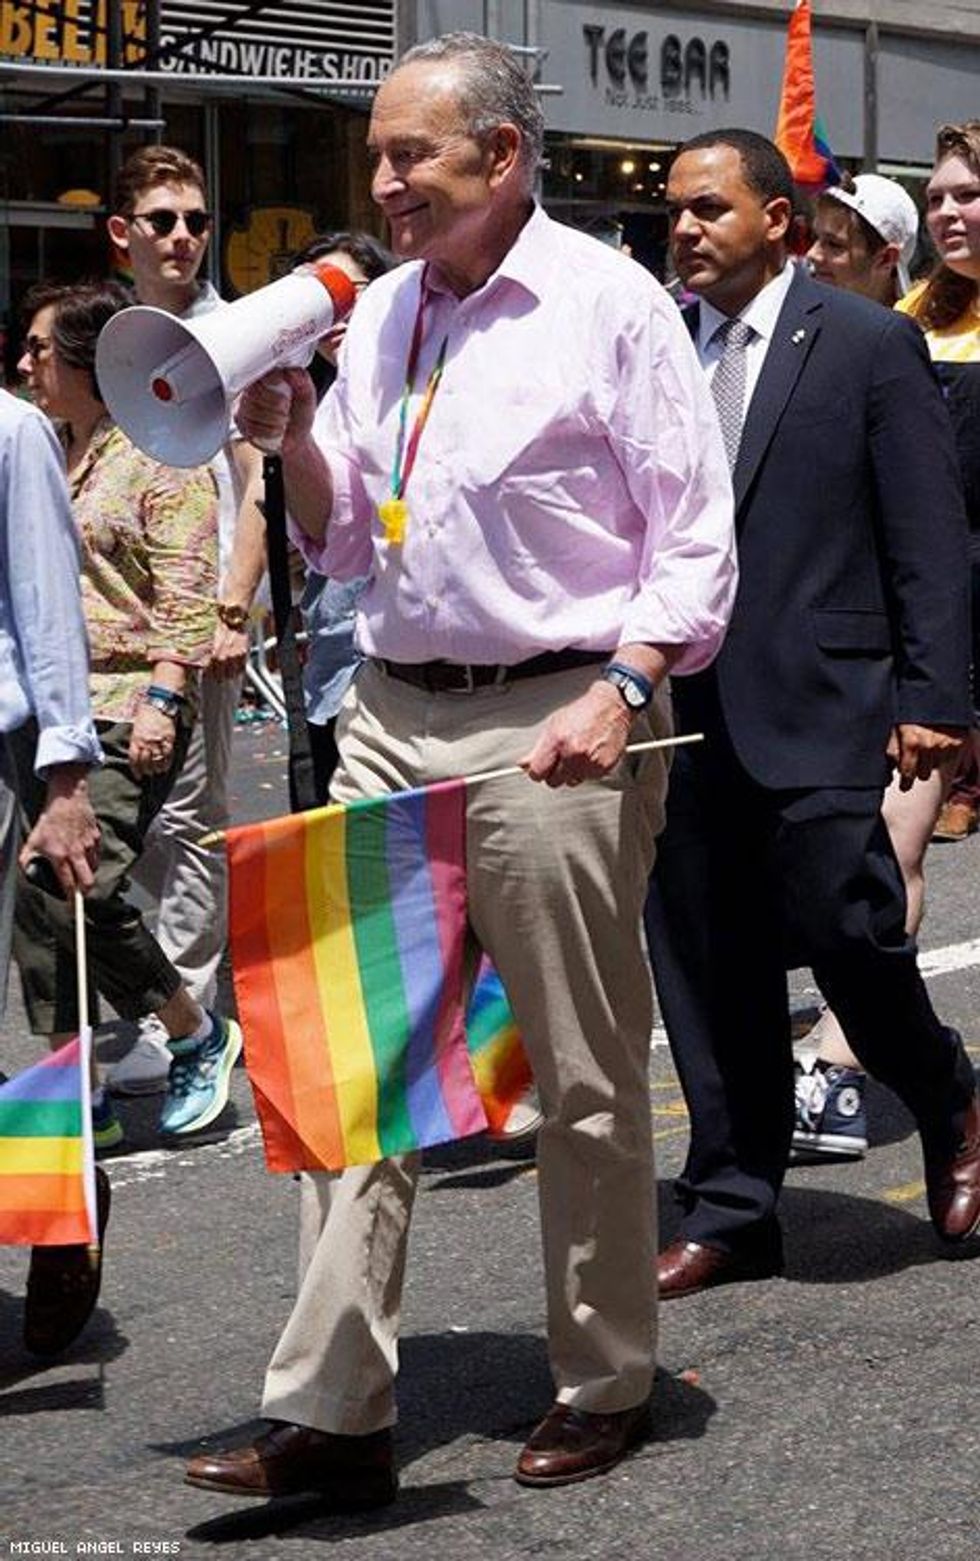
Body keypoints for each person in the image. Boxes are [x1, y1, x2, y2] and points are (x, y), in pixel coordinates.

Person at [183, 31, 736, 1501]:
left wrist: (624, 689)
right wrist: (294, 445)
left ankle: (606, 1372)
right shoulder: (384, 320)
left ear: (502, 157)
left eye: (408, 153)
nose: (383, 182)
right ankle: (335, 1407)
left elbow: (692, 540)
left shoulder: (612, 307)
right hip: (392, 711)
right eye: (377, 154)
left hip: (557, 719)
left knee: (583, 1072)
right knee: (352, 1068)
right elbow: (350, 537)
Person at [644, 128, 980, 1303]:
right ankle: (733, 1200)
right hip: (676, 709)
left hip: (826, 695)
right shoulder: (651, 349)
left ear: (777, 222)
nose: (682, 229)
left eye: (707, 209)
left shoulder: (866, 341)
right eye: (671, 211)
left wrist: (935, 701)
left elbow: (927, 537)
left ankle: (945, 1095)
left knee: (845, 925)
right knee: (700, 952)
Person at [14, 280, 241, 1143]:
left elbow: (187, 591)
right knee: (42, 903)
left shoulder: (161, 454)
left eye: (41, 348)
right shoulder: (56, 449)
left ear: (86, 360)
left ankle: (194, 1032)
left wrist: (164, 696)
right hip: (58, 703)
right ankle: (81, 1085)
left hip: (128, 700)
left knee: (75, 883)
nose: (26, 363)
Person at [103, 146, 266, 1096]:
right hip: (108, 629)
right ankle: (153, 1006)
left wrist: (232, 605)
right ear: (122, 233)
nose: (183, 237)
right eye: (162, 220)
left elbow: (253, 482)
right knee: (117, 831)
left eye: (197, 220)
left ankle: (188, 1015)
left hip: (198, 627)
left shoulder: (237, 332)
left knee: (190, 829)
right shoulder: (104, 332)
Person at [792, 172, 938, 1159]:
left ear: (885, 254)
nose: (812, 257)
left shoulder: (905, 343)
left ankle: (839, 1063)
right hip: (832, 629)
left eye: (836, 245)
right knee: (827, 864)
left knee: (889, 855)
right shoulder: (799, 342)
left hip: (930, 626)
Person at [0, 384, 110, 1357]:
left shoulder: (11, 430)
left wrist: (64, 781)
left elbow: (46, 608)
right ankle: (46, 1174)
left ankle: (60, 1193)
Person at [899, 122, 980, 846]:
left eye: (969, 195)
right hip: (941, 579)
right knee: (900, 840)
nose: (947, 213)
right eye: (935, 199)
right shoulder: (913, 314)